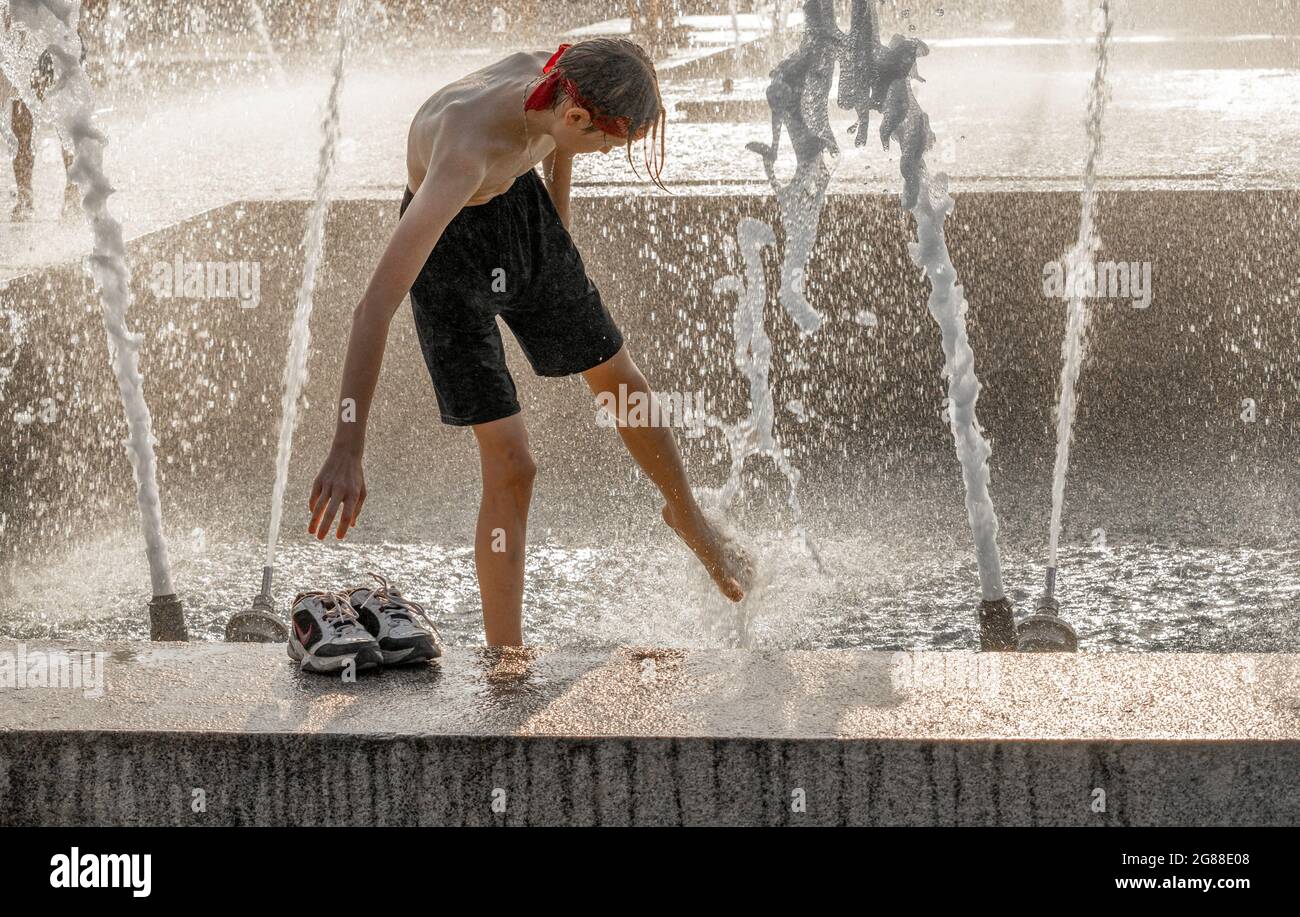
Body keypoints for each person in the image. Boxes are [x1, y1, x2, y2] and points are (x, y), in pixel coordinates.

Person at [304, 39, 750, 660]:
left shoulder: (559, 80)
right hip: (449, 258)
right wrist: (347, 447)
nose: (605, 154)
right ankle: (506, 656)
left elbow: (556, 150)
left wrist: (558, 245)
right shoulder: (464, 154)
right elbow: (373, 307)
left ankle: (687, 515)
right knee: (514, 464)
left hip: (523, 214)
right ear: (575, 118)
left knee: (621, 382)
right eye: (608, 144)